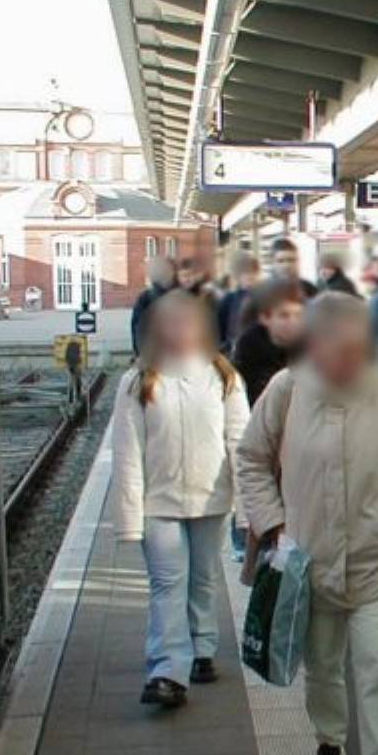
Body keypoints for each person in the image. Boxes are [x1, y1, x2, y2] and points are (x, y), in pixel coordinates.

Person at [236, 292, 378, 755]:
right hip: (309, 559)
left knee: (377, 662)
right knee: (322, 664)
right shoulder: (287, 389)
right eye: (338, 349)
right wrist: (275, 524)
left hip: (372, 558)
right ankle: (329, 741)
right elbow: (250, 458)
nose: (349, 360)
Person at [111, 291, 250, 708]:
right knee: (167, 583)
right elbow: (127, 453)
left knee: (203, 578)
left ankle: (202, 647)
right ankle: (168, 670)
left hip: (211, 501)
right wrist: (129, 520)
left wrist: (247, 510)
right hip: (159, 503)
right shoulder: (138, 381)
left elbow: (240, 443)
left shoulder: (224, 377)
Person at [232, 278, 305, 405]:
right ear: (265, 318)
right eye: (284, 316)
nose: (293, 322)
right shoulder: (250, 353)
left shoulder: (310, 349)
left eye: (298, 315)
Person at [130, 255, 177, 355]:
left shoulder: (182, 295)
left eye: (168, 270)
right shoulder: (146, 297)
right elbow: (137, 327)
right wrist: (139, 352)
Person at [217, 252, 260, 350]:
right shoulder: (229, 299)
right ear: (238, 276)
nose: (250, 276)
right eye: (245, 273)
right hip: (234, 349)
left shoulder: (264, 297)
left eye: (253, 272)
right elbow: (221, 328)